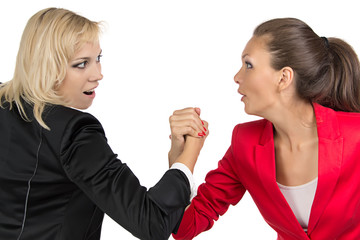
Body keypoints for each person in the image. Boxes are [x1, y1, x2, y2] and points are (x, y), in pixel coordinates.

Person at [0, 7, 209, 240]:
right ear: (47, 65)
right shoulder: (75, 132)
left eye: (98, 59)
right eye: (81, 64)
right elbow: (153, 223)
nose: (97, 74)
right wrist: (187, 155)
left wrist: (175, 160)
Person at [169, 17, 360, 239]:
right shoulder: (245, 144)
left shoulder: (355, 136)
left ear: (284, 77)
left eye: (248, 65)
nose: (237, 77)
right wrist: (181, 160)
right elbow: (184, 227)